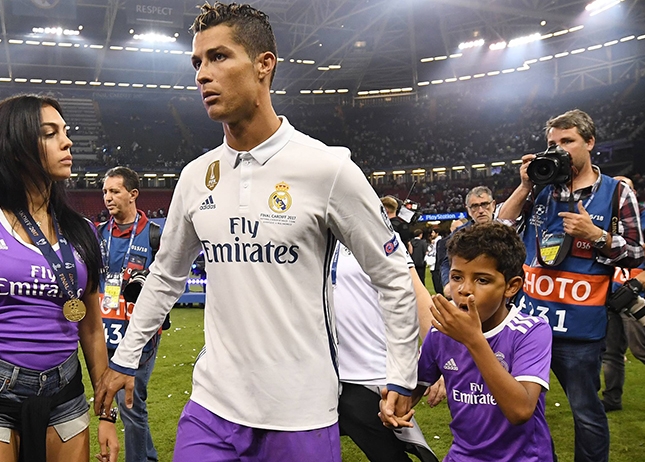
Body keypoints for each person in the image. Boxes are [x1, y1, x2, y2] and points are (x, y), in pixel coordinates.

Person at [97, 3, 419, 461]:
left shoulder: (327, 168)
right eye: (197, 62)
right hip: (212, 407)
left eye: (219, 57)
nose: (202, 75)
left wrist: (401, 373)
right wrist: (127, 356)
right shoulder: (195, 177)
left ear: (264, 64)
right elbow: (166, 276)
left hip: (301, 413)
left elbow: (391, 274)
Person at [0, 95, 116, 462]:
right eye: (50, 133)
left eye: (65, 131)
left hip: (65, 395)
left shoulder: (83, 232)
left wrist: (107, 416)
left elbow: (92, 329)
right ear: (16, 150)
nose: (67, 142)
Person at [497, 109, 643, 462]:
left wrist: (597, 236)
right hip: (529, 323)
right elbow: (499, 230)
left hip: (579, 327)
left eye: (567, 141)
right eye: (552, 143)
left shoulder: (616, 191)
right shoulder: (541, 187)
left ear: (589, 142)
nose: (558, 149)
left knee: (586, 413)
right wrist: (525, 185)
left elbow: (637, 254)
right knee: (517, 407)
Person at [410, 222, 554, 461]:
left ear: (511, 286)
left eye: (482, 280)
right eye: (457, 277)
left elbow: (520, 411)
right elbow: (414, 388)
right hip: (463, 455)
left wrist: (473, 340)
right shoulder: (441, 332)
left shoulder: (530, 331)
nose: (464, 289)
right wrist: (396, 401)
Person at [333, 237, 439, 462]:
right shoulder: (301, 230)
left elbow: (416, 294)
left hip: (370, 376)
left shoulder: (373, 230)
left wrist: (438, 356)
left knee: (390, 456)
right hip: (319, 376)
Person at [98, 166, 162, 462]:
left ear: (133, 194)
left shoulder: (154, 235)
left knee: (131, 402)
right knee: (111, 398)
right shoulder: (99, 233)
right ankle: (148, 457)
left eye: (115, 191)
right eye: (105, 192)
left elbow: (169, 282)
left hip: (140, 335)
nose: (108, 197)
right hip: (105, 330)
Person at [601, 176, 645, 414]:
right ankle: (612, 398)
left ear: (633, 194)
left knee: (642, 348)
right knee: (611, 351)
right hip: (610, 291)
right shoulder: (604, 217)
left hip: (639, 291)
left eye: (625, 190)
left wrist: (640, 281)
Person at [439, 186, 495, 295]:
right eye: (474, 206)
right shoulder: (460, 234)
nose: (480, 211)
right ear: (468, 210)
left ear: (493, 205)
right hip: (470, 290)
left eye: (484, 204)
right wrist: (447, 283)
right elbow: (446, 261)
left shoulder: (507, 229)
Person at [427, 229, 443, 295]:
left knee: (437, 279)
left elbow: (431, 250)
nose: (431, 234)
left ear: (437, 233)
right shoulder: (435, 241)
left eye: (433, 233)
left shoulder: (438, 241)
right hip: (434, 262)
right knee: (435, 278)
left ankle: (440, 294)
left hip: (436, 262)